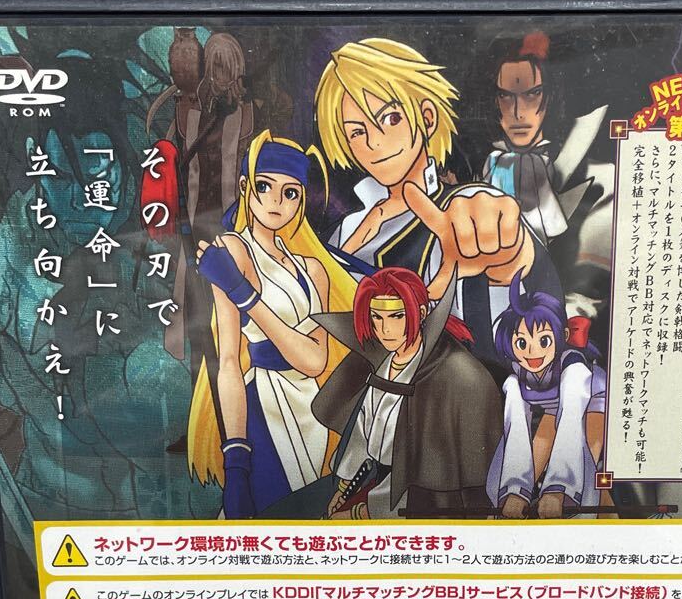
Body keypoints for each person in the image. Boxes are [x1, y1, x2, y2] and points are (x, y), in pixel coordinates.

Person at [314, 37, 562, 380]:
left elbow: (509, 281)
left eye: (390, 118)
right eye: (357, 132)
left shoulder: (461, 205)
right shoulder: (348, 227)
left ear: (427, 118)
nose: (374, 142)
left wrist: (510, 259)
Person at [187, 130, 356, 517]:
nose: (276, 201)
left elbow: (314, 361)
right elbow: (228, 362)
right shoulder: (234, 250)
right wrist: (236, 461)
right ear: (246, 188)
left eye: (290, 192)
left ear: (302, 199)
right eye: (264, 187)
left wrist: (243, 293)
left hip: (313, 413)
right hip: (263, 406)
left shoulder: (313, 269)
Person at [310, 268, 502, 519]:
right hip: (374, 480)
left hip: (428, 499)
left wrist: (360, 513)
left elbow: (429, 470)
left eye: (397, 316)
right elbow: (362, 431)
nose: (385, 329)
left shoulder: (453, 374)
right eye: (376, 317)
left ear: (420, 313)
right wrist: (346, 487)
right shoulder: (380, 359)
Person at [487, 271, 607, 518]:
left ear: (562, 336)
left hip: (591, 400)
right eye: (522, 343)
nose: (532, 353)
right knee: (525, 479)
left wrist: (557, 491)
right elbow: (515, 430)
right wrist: (514, 491)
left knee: (588, 472)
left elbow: (571, 419)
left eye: (543, 341)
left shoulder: (574, 370)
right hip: (552, 407)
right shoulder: (514, 380)